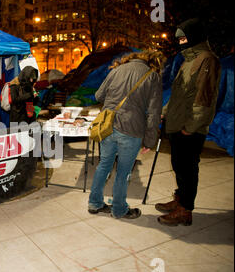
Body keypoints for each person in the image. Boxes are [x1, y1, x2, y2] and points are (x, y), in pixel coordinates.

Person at [156, 18, 221, 226]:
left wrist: (190, 128)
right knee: (179, 166)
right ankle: (180, 200)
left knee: (188, 169)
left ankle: (185, 210)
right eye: (179, 38)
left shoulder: (207, 60)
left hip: (189, 128)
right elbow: (178, 95)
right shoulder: (188, 60)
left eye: (184, 37)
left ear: (194, 36)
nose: (181, 41)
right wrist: (164, 112)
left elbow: (204, 97)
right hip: (177, 124)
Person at [87, 50, 165, 219]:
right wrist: (149, 141)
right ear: (154, 62)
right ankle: (119, 209)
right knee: (123, 172)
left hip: (107, 125)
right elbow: (153, 112)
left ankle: (94, 203)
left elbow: (98, 95)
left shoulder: (116, 70)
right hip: (132, 128)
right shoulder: (153, 76)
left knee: (104, 165)